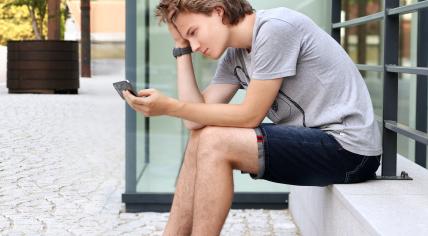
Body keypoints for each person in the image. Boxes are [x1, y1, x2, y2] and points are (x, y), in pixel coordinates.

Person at [122, 0, 382, 235]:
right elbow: (194, 119)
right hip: (316, 142)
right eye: (187, 39)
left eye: (193, 33)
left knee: (214, 140)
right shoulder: (235, 55)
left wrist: (170, 107)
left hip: (350, 150)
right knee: (201, 135)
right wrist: (181, 50)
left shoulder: (274, 29)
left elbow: (249, 115)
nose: (195, 45)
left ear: (218, 11)